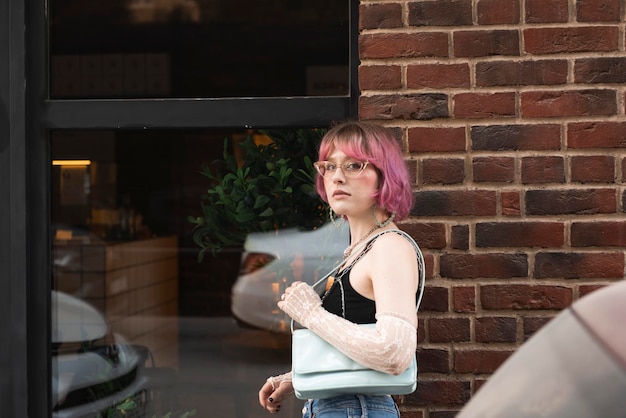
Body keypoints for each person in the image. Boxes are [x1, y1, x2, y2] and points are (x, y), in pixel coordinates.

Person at [258, 121, 420, 417]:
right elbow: (358, 342)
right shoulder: (362, 250)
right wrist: (299, 377)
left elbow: (394, 352)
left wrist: (312, 314)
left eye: (354, 165)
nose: (337, 177)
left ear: (385, 177)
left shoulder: (389, 247)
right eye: (329, 167)